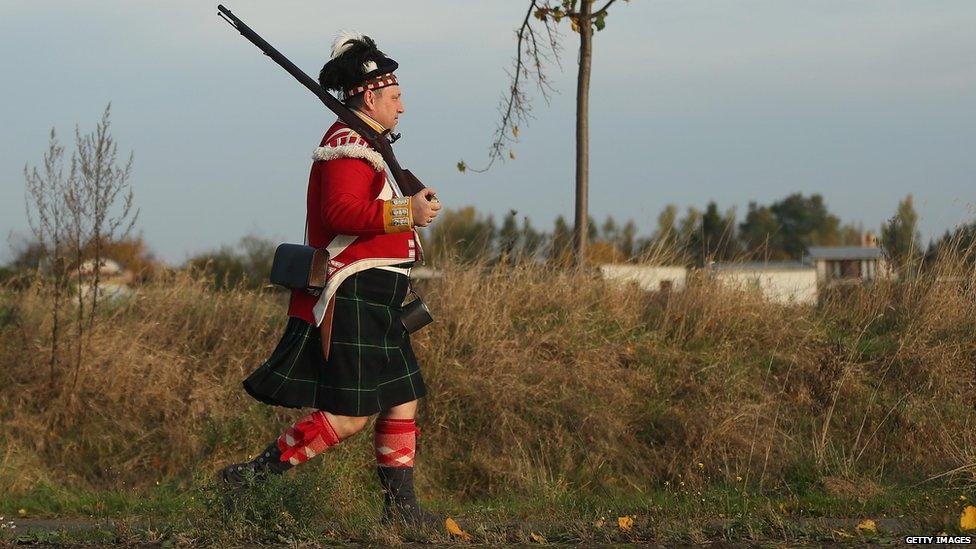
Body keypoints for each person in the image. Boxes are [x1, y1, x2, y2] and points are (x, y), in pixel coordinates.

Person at [217, 31, 442, 529]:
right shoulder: (345, 142)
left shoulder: (369, 144)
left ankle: (400, 512)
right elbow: (339, 212)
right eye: (395, 96)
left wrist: (411, 198)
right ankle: (250, 479)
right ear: (369, 94)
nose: (402, 107)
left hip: (380, 293)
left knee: (402, 397)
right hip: (355, 290)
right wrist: (406, 211)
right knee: (350, 416)